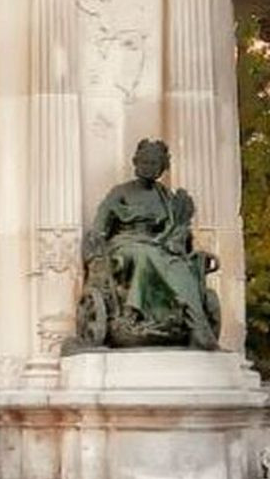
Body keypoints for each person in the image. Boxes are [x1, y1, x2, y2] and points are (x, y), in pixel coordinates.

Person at [79, 139, 219, 349]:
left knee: (181, 263)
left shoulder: (165, 196)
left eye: (154, 163)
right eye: (144, 161)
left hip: (159, 245)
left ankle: (195, 322)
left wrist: (177, 239)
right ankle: (133, 314)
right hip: (125, 244)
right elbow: (100, 228)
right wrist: (95, 250)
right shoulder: (121, 192)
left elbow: (180, 230)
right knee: (146, 255)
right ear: (135, 162)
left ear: (163, 167)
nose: (148, 167)